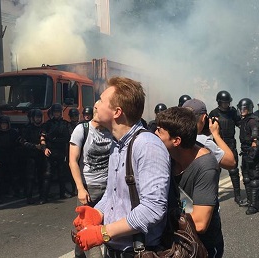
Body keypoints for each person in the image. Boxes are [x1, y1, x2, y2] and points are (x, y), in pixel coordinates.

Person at [72, 77, 171, 257]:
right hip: (115, 250)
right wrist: (97, 213)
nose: (95, 104)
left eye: (101, 100)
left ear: (117, 112)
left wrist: (103, 232)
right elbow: (113, 195)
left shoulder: (148, 146)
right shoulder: (116, 145)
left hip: (138, 252)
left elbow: (153, 208)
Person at [155, 106, 223, 257]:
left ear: (176, 140)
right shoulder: (166, 156)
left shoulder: (205, 166)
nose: (155, 134)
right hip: (174, 241)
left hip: (202, 247)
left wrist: (155, 216)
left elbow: (199, 224)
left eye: (159, 131)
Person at [69, 101, 113, 258]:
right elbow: (73, 160)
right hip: (89, 188)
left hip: (109, 188)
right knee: (85, 230)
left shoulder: (111, 131)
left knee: (102, 229)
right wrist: (80, 188)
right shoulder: (82, 129)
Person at [182, 99, 236, 170]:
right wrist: (216, 134)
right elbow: (231, 163)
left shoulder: (174, 134)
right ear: (204, 118)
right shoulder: (204, 141)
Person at [209, 90, 242, 205]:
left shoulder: (233, 112)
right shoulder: (213, 113)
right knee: (215, 171)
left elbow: (241, 124)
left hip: (231, 143)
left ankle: (237, 196)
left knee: (234, 170)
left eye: (228, 102)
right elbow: (209, 129)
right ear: (219, 102)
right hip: (217, 144)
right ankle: (213, 195)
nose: (227, 104)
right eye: (224, 103)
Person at [40, 103, 72, 204]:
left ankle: (62, 193)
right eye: (55, 112)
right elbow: (42, 137)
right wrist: (44, 148)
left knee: (61, 174)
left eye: (58, 112)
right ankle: (44, 196)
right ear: (52, 113)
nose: (57, 114)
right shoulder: (47, 124)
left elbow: (70, 138)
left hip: (61, 151)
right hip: (50, 151)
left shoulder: (66, 124)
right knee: (48, 174)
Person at [237, 98, 259, 215]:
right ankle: (250, 200)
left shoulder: (253, 121)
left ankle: (255, 204)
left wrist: (252, 156)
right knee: (246, 179)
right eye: (241, 109)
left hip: (252, 154)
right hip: (245, 153)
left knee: (254, 180)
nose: (242, 111)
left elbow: (256, 140)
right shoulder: (244, 121)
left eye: (245, 109)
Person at [0, 115, 20, 203]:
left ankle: (16, 192)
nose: (4, 126)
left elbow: (18, 144)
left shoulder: (13, 132)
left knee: (14, 177)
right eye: (2, 124)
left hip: (11, 158)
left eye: (5, 124)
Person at [19, 109, 46, 204]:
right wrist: (34, 146)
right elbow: (23, 142)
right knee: (30, 177)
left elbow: (45, 138)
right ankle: (29, 197)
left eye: (39, 117)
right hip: (30, 155)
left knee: (41, 176)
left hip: (41, 156)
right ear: (33, 118)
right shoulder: (27, 128)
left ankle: (41, 196)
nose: (38, 119)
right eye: (36, 117)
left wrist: (43, 145)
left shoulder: (43, 127)